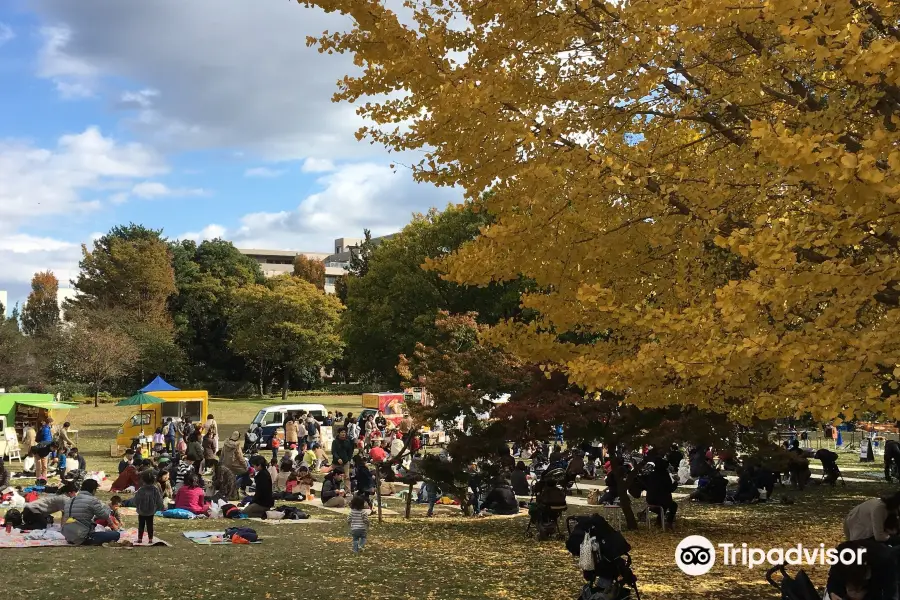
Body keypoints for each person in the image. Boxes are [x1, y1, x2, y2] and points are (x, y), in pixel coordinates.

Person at [61, 479, 125, 546]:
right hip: (82, 537)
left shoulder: (70, 500)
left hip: (68, 536)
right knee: (116, 535)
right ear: (94, 490)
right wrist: (108, 506)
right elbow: (104, 515)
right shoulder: (92, 500)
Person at [134, 469, 165, 544]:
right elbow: (159, 500)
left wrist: (137, 506)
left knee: (141, 525)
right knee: (150, 525)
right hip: (151, 511)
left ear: (143, 480)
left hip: (141, 511)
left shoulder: (141, 490)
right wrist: (161, 508)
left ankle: (139, 539)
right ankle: (150, 539)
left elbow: (136, 499)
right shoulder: (155, 490)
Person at [332, 427, 355, 493]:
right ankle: (335, 490)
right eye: (342, 432)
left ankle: (347, 491)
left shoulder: (347, 441)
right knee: (335, 476)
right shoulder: (335, 442)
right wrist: (338, 458)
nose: (343, 434)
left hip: (345, 462)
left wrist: (348, 459)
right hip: (336, 462)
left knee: (347, 477)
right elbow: (334, 451)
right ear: (339, 433)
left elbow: (350, 451)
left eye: (344, 432)